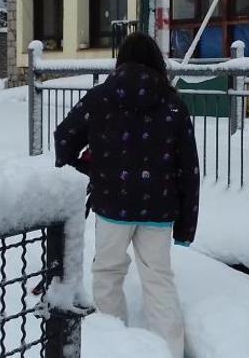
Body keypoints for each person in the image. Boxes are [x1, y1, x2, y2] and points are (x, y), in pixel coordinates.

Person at [54, 32, 200, 358]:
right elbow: (188, 169)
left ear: (121, 61)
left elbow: (63, 139)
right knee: (159, 280)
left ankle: (114, 347)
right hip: (159, 210)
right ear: (157, 62)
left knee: (107, 274)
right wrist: (186, 227)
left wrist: (87, 168)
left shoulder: (99, 97)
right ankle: (169, 352)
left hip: (112, 204)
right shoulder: (174, 104)